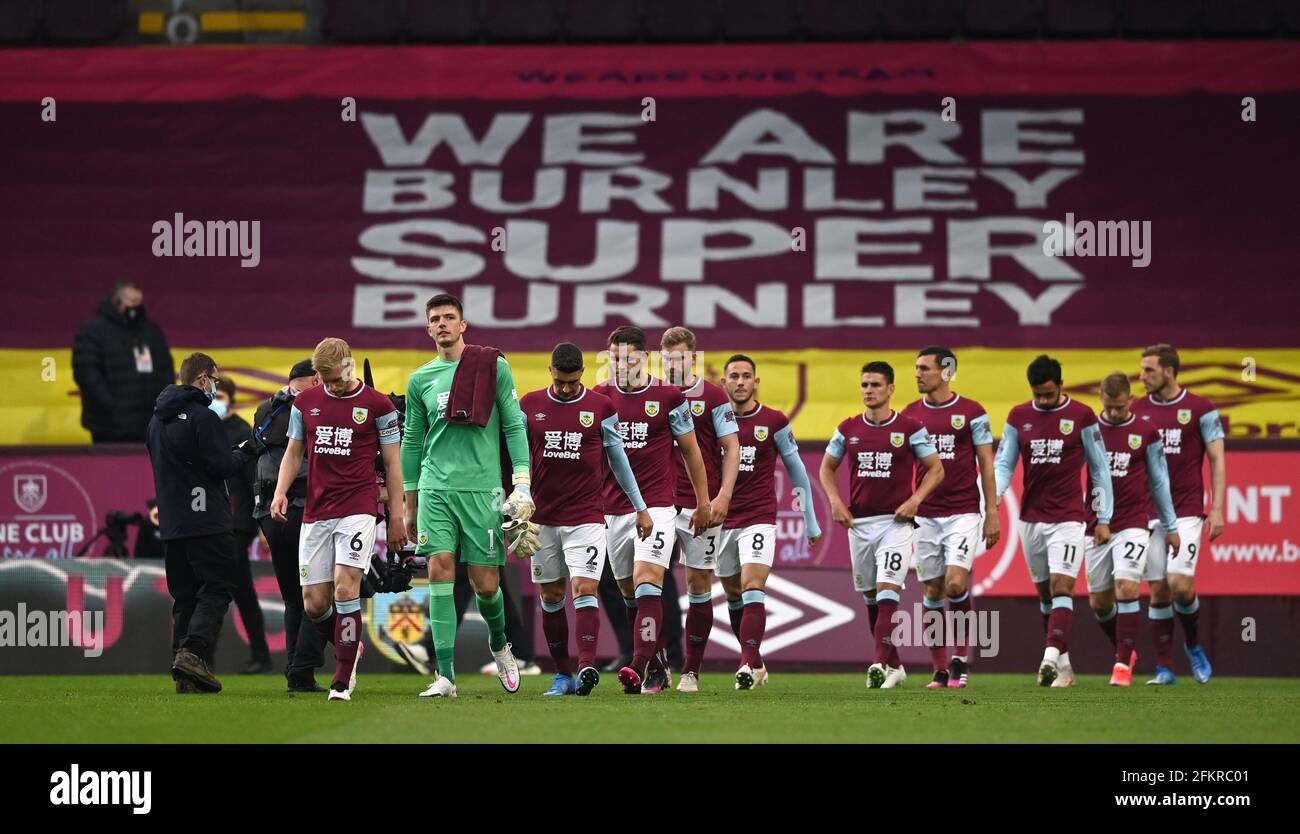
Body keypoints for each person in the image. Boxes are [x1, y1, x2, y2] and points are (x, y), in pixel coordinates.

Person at [402, 293, 532, 700]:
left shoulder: (492, 366)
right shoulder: (420, 379)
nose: (442, 324)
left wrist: (522, 482)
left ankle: (499, 643)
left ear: (463, 325)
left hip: (483, 490)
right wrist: (409, 500)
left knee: (486, 585)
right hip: (435, 487)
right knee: (440, 570)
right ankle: (445, 676)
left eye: (449, 317)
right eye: (435, 319)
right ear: (428, 329)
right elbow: (410, 441)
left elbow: (513, 425)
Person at [272, 338, 406, 701]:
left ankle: (342, 679)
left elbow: (394, 464)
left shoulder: (378, 406)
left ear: (347, 366)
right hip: (317, 512)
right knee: (315, 603)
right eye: (323, 379)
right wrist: (281, 491)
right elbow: (293, 451)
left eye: (333, 378)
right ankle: (349, 642)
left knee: (346, 589)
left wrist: (397, 515)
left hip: (358, 508)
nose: (328, 386)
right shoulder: (305, 403)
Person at [519, 343, 650, 696]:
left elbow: (619, 460)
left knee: (585, 587)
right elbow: (513, 455)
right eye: (560, 382)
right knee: (551, 593)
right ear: (550, 371)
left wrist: (640, 506)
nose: (566, 388)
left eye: (573, 382)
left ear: (582, 375)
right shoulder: (529, 406)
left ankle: (586, 665)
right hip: (542, 518)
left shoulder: (600, 407)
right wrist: (511, 496)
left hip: (586, 517)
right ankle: (562, 674)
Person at [594, 325, 712, 695]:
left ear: (643, 358)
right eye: (614, 358)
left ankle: (638, 663)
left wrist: (704, 500)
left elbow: (691, 451)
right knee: (630, 594)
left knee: (648, 581)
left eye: (628, 358)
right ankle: (657, 667)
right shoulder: (601, 397)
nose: (621, 365)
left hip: (660, 505)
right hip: (614, 510)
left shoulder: (668, 396)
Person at [820, 361, 944, 690]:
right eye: (864, 385)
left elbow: (935, 468)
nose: (869, 391)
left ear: (890, 389)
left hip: (896, 523)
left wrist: (916, 499)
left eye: (875, 385)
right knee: (871, 598)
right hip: (859, 524)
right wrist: (835, 502)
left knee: (888, 588)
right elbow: (826, 468)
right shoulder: (848, 428)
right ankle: (895, 666)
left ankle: (877, 663)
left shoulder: (909, 428)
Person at [994, 355, 1114, 687]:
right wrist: (992, 495)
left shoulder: (1081, 416)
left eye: (1048, 394)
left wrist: (1102, 516)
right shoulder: (1019, 415)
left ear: (1061, 385)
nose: (1043, 401)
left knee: (1064, 587)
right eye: (1038, 395)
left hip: (1068, 517)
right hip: (1031, 517)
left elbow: (1100, 468)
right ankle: (1064, 666)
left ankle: (1047, 658)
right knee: (1046, 594)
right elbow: (1005, 462)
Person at [146, 352, 254, 694]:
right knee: (218, 587)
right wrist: (244, 452)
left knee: (185, 597)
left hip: (174, 523)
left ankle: (184, 673)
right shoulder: (203, 417)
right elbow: (221, 467)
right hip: (207, 520)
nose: (216, 386)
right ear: (203, 378)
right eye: (215, 379)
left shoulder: (155, 421)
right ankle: (193, 654)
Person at [716, 355, 821, 692]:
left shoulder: (774, 421)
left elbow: (797, 470)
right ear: (724, 382)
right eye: (734, 376)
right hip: (720, 521)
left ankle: (745, 664)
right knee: (733, 594)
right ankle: (757, 661)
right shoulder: (711, 420)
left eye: (747, 376)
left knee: (752, 586)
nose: (741, 382)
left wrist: (810, 519)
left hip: (758, 517)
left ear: (756, 382)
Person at [900, 347, 1000, 689]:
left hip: (963, 512)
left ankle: (960, 660)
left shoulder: (972, 412)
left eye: (924, 368)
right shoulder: (910, 415)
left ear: (946, 372)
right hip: (926, 515)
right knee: (932, 588)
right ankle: (940, 668)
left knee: (956, 583)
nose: (917, 374)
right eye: (916, 368)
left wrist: (993, 512)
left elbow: (986, 464)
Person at [1132, 343, 1226, 685]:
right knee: (1158, 591)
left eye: (1149, 370)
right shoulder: (1137, 409)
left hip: (1185, 510)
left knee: (1180, 585)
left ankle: (1193, 645)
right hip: (1147, 513)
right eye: (1142, 370)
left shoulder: (1200, 408)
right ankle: (1165, 667)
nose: (1142, 377)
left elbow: (1217, 458)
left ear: (1169, 372)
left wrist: (1216, 509)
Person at [1084, 373, 1178, 687]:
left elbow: (1160, 482)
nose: (1113, 414)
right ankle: (1126, 649)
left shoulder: (1146, 432)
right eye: (1108, 407)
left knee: (1127, 588)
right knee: (1100, 603)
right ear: (1100, 398)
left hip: (1134, 522)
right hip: (1095, 525)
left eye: (1120, 408)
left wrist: (1171, 525)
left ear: (1131, 400)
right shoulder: (1088, 430)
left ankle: (1121, 664)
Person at [660, 327, 740, 691]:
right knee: (649, 582)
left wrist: (721, 497)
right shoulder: (653, 394)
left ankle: (691, 670)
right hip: (659, 501)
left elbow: (732, 447)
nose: (673, 365)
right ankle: (656, 663)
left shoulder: (713, 396)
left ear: (693, 358)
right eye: (667, 359)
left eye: (679, 358)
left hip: (700, 504)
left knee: (698, 583)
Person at [251, 359, 329, 691]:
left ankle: (294, 667)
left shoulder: (264, 409)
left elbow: (259, 454)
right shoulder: (312, 408)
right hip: (303, 508)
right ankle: (301, 669)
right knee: (318, 591)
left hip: (270, 512)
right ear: (314, 380)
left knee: (293, 598)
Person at [213, 378, 271, 674]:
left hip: (239, 522)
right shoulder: (204, 427)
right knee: (241, 589)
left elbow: (254, 481)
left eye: (220, 396)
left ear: (231, 401)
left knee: (218, 586)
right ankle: (260, 655)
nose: (215, 400)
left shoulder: (240, 432)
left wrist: (261, 526)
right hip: (215, 520)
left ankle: (202, 654)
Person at [73, 281, 174, 443]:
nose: (137, 307)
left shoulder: (150, 331)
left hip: (148, 423)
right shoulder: (93, 330)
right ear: (116, 301)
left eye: (140, 302)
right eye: (132, 302)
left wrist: (164, 404)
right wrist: (110, 406)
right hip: (109, 425)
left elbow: (166, 369)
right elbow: (86, 373)